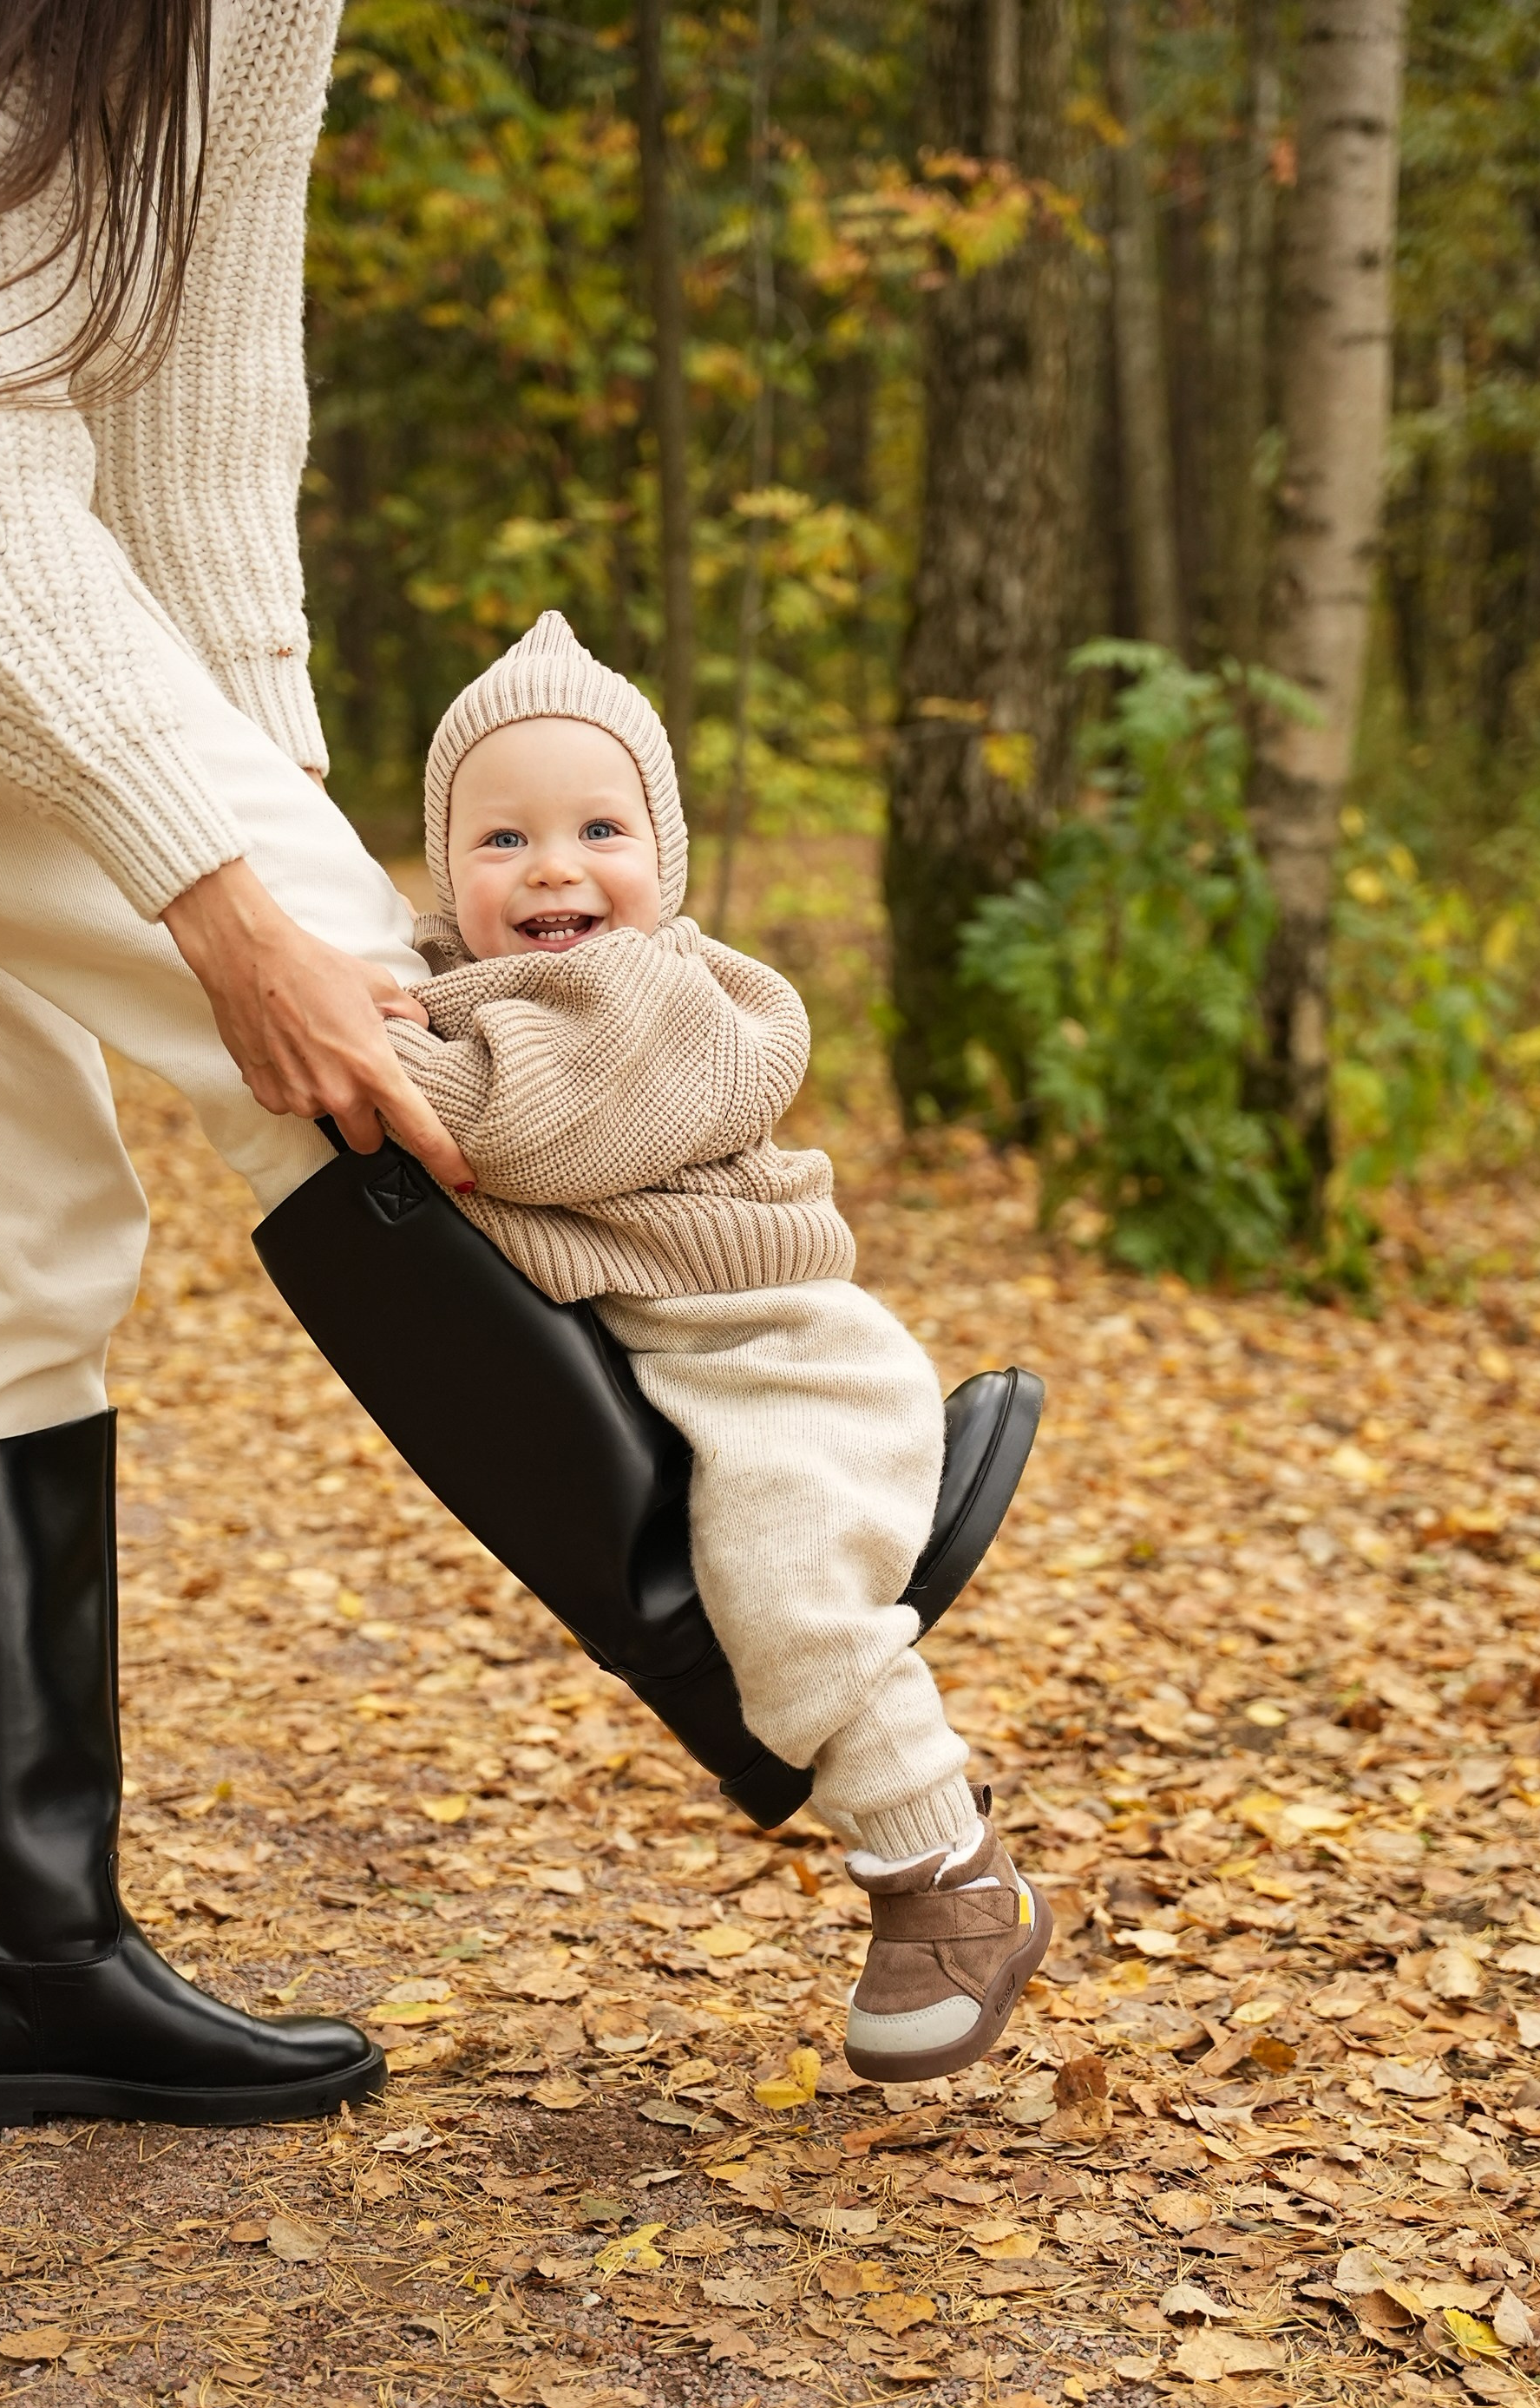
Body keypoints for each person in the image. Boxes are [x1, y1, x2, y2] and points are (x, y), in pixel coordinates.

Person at [0, 0, 659, 2132]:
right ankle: (748, 1580)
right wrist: (222, 894)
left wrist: (265, 754)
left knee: (5, 1219)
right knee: (376, 1026)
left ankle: (17, 1968)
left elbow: (203, 386)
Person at [381, 613, 1051, 2082]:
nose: (551, 868)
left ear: (664, 860)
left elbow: (525, 1131)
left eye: (598, 830)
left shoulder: (668, 998)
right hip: (676, 1362)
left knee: (783, 1581)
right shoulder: (464, 993)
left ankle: (949, 1871)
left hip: (784, 1355)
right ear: (443, 872)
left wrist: (380, 1038)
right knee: (705, 1594)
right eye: (502, 838)